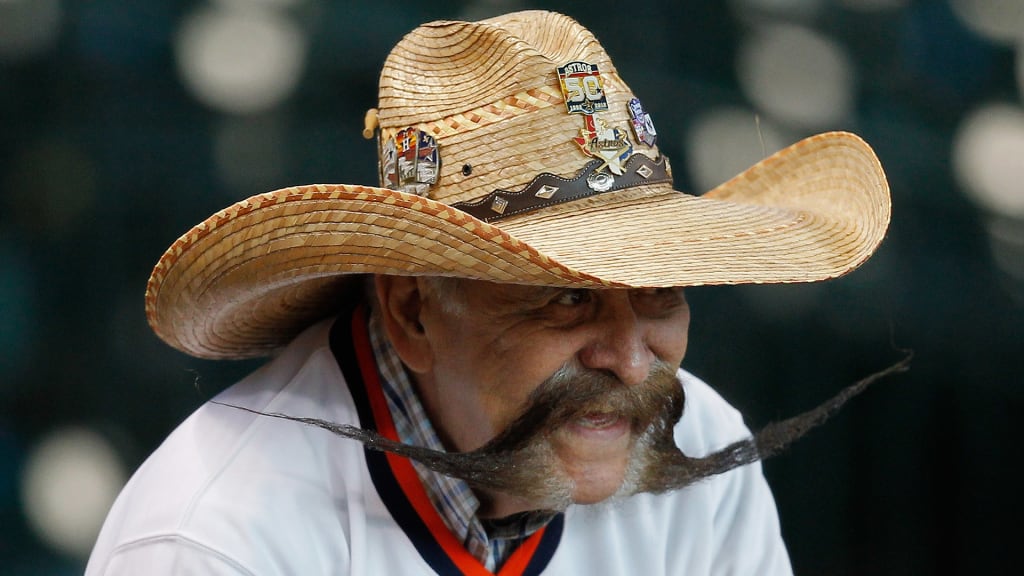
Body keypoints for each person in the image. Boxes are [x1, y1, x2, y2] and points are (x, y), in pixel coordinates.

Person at [86, 10, 892, 576]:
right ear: (412, 311)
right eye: (567, 299)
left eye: (659, 291)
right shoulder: (214, 542)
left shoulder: (698, 450)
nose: (630, 358)